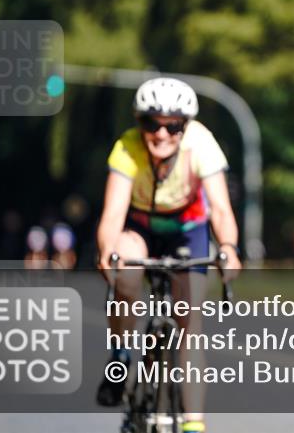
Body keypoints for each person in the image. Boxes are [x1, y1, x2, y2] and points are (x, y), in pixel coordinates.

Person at [95, 77, 242, 433]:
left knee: (189, 326)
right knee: (125, 268)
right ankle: (121, 355)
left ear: (185, 126)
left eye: (172, 126)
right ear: (139, 123)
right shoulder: (127, 147)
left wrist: (228, 249)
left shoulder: (202, 143)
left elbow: (220, 209)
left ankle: (193, 422)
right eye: (151, 123)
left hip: (186, 228)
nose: (161, 135)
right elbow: (113, 214)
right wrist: (106, 253)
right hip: (141, 226)